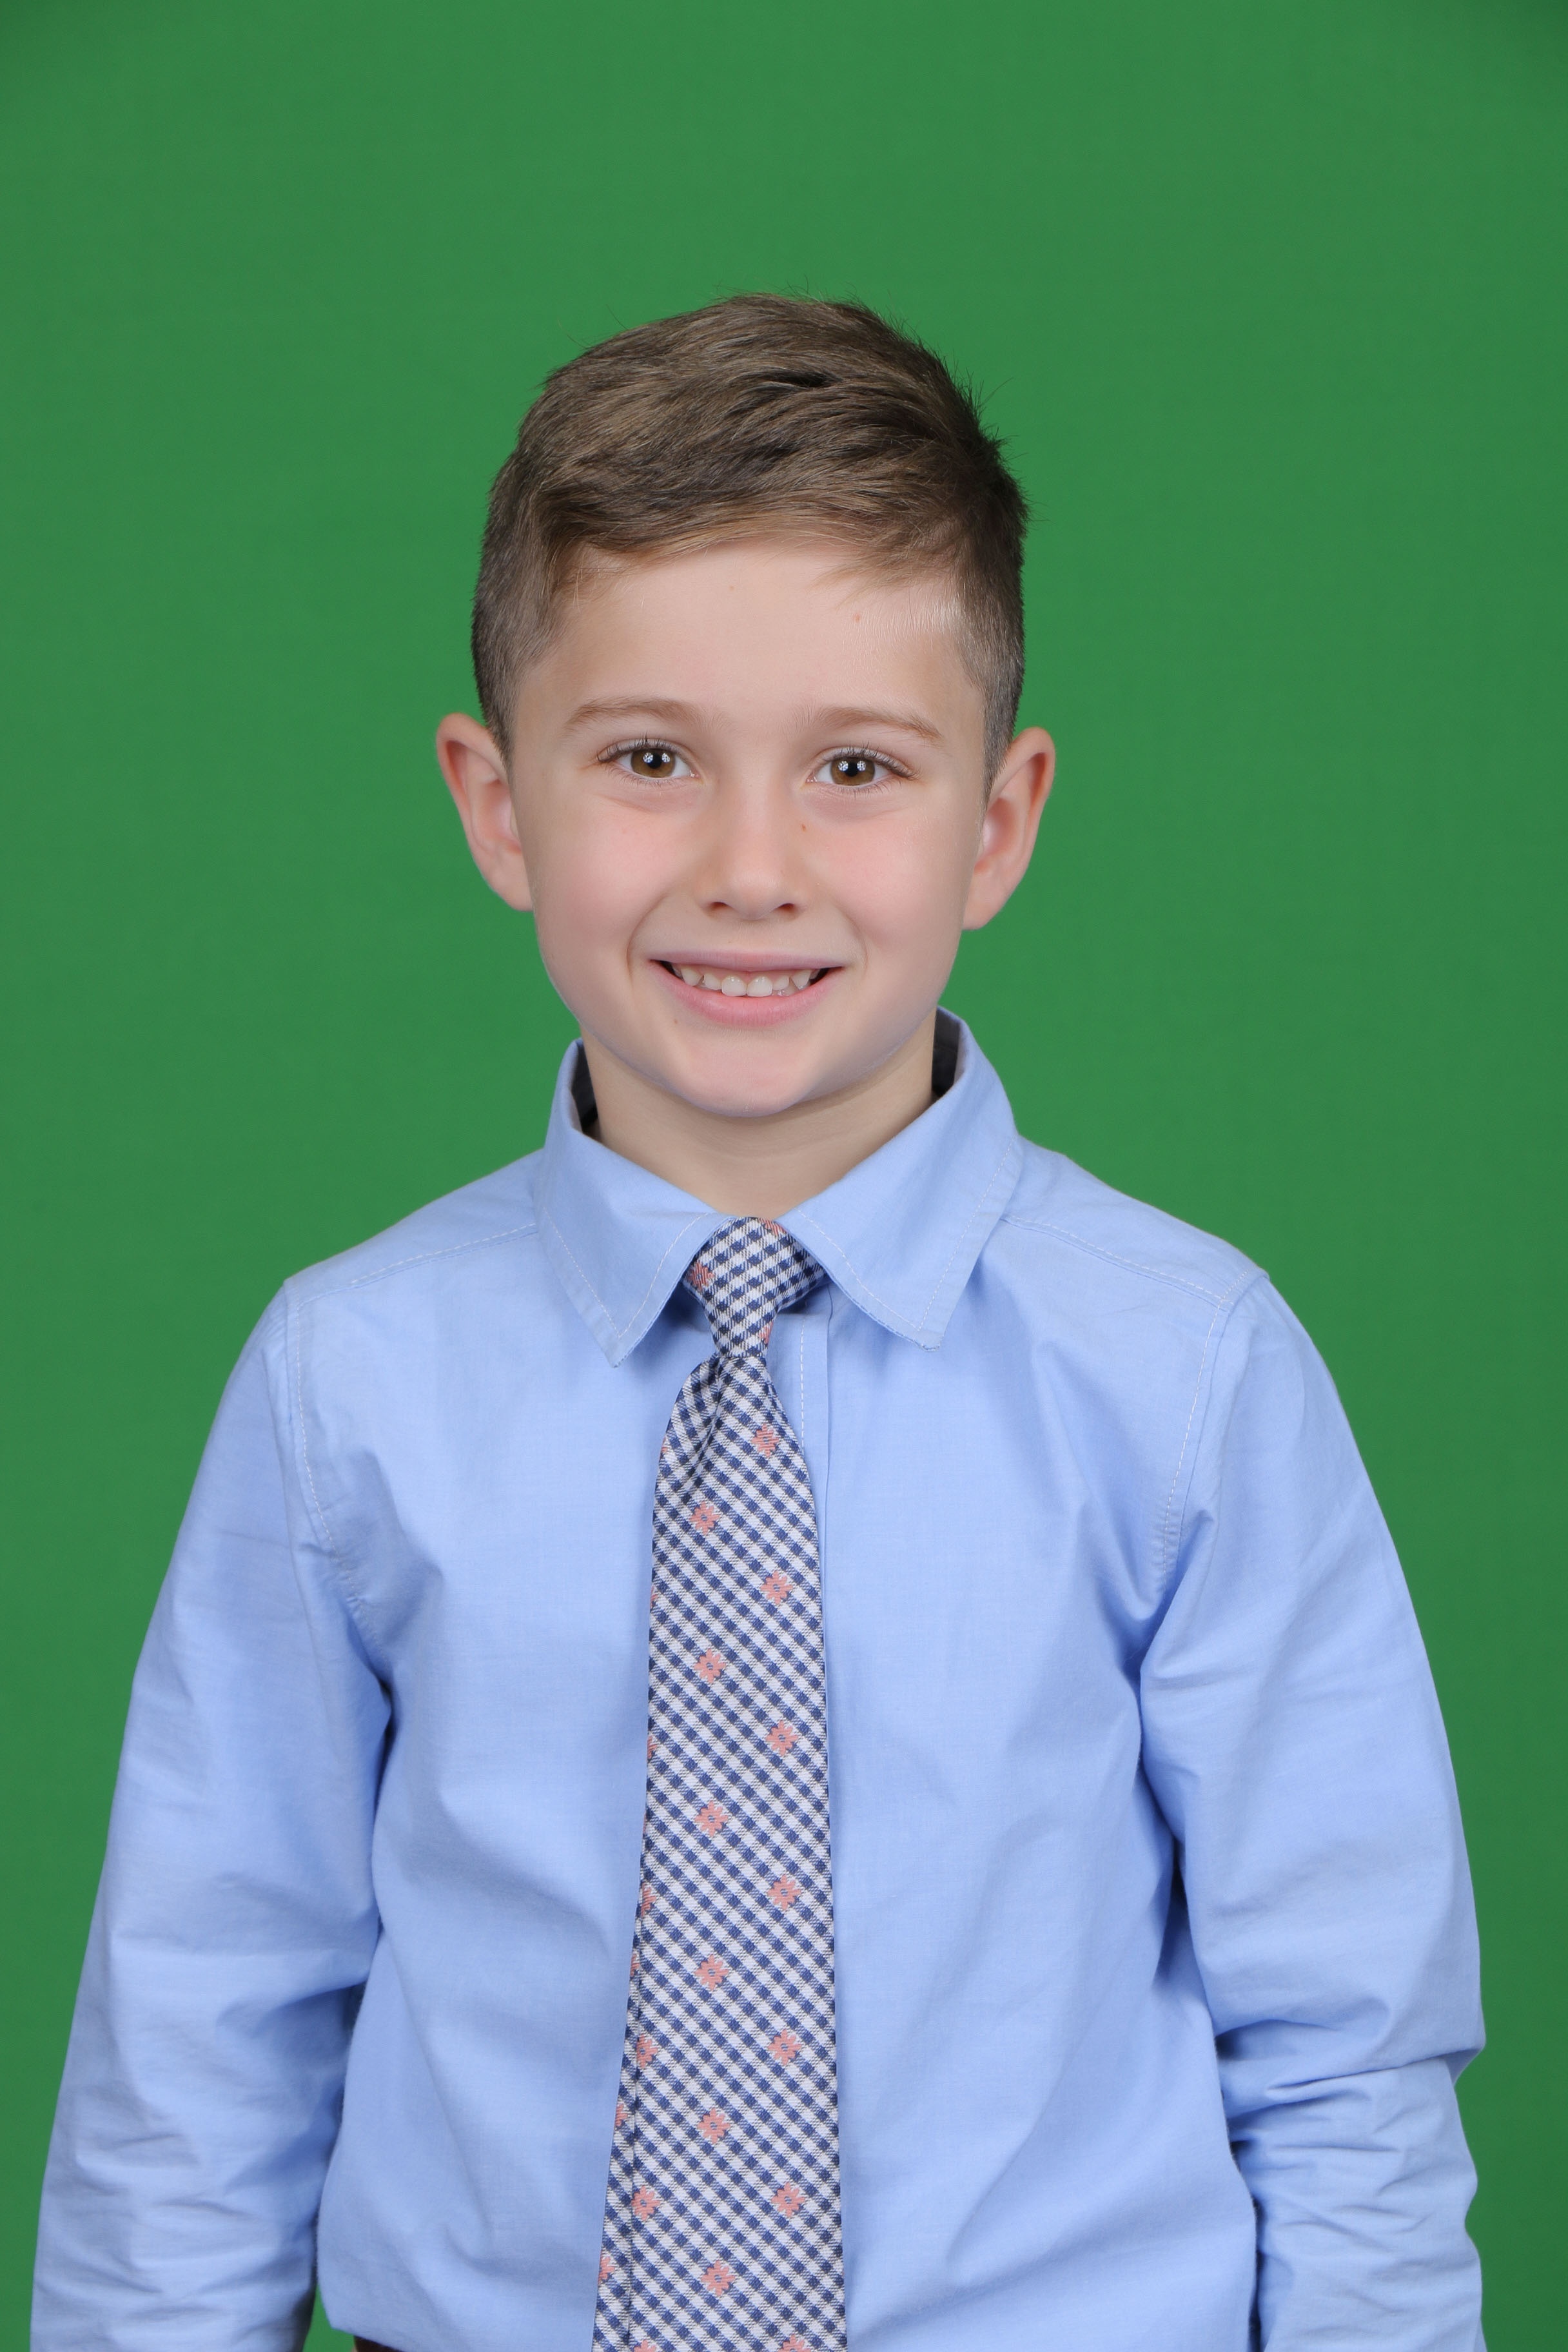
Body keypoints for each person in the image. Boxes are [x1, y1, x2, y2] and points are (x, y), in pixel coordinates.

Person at [32, 295, 1484, 2352]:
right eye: (648, 760)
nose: (749, 867)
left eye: (857, 769)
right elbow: (198, 2041)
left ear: (997, 823)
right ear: (497, 803)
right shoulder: (347, 1378)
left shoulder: (1188, 1370)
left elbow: (1345, 2056)